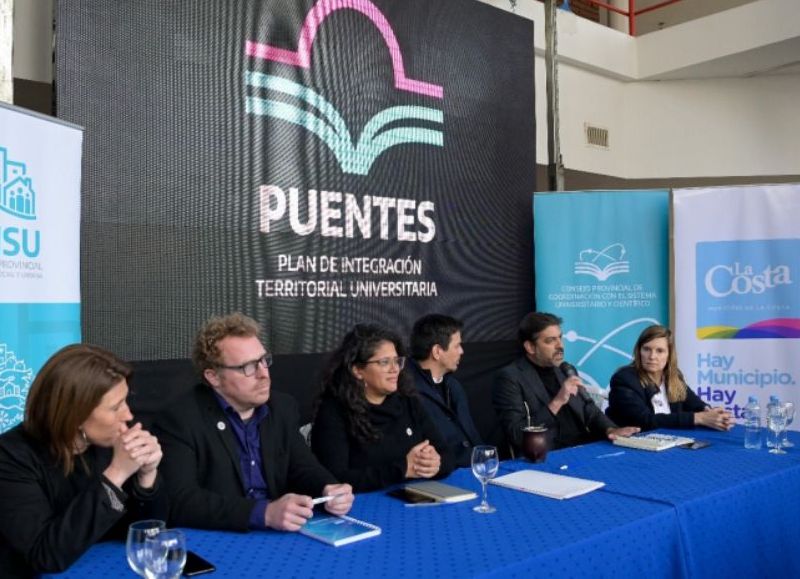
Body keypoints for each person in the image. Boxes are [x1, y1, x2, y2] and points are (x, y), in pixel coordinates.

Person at [155, 313, 353, 532]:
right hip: (216, 537)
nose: (263, 374)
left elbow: (301, 466)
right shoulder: (181, 419)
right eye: (247, 367)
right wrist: (263, 513)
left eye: (263, 360)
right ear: (213, 377)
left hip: (278, 535)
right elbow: (182, 501)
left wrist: (327, 489)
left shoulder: (282, 407)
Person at [0, 344, 167, 577]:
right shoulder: (10, 456)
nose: (128, 415)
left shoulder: (107, 443)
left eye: (126, 401)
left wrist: (146, 476)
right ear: (76, 415)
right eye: (116, 407)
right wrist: (116, 474)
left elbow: (146, 534)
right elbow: (45, 554)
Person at [311, 324, 455, 492]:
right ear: (358, 370)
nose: (395, 369)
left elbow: (447, 455)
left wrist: (435, 464)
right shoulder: (334, 412)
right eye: (384, 362)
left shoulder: (409, 402)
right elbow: (334, 479)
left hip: (416, 499)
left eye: (397, 361)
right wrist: (402, 469)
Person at [493, 312, 640, 452]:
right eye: (550, 340)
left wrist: (611, 429)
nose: (560, 345)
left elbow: (590, 410)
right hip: (546, 455)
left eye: (560, 338)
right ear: (530, 347)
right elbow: (516, 435)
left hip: (583, 448)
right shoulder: (510, 378)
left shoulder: (565, 370)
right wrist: (557, 402)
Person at [606, 325, 733, 431]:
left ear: (669, 354)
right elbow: (644, 421)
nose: (652, 356)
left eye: (660, 351)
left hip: (669, 441)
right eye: (646, 349)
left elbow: (693, 403)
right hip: (632, 445)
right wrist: (698, 418)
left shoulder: (673, 376)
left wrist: (712, 413)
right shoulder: (624, 379)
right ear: (639, 351)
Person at [408, 313, 482, 467]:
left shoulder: (454, 386)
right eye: (456, 346)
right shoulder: (408, 391)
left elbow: (472, 437)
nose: (461, 351)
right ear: (437, 352)